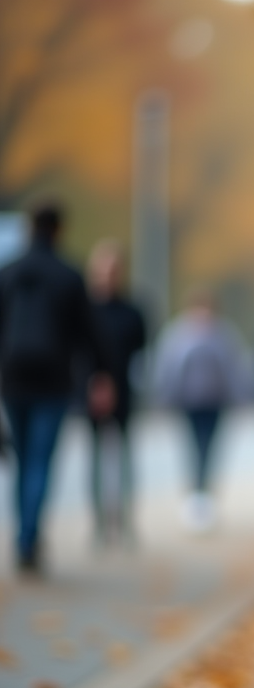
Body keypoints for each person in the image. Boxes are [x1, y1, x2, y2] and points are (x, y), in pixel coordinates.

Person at [0, 202, 111, 575]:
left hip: (12, 380)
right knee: (41, 461)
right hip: (53, 382)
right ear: (59, 230)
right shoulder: (68, 275)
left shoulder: (9, 273)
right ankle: (29, 538)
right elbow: (88, 333)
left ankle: (23, 536)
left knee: (21, 458)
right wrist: (99, 373)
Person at [153, 290, 254, 531]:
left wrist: (242, 399)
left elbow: (234, 370)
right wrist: (163, 399)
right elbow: (168, 369)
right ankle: (195, 499)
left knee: (209, 450)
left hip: (215, 403)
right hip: (189, 403)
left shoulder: (223, 335)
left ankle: (205, 498)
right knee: (192, 449)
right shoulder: (178, 334)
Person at [83, 239, 148, 547]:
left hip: (123, 391)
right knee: (94, 458)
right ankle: (98, 524)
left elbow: (140, 349)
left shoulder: (132, 311)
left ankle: (125, 522)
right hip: (90, 391)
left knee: (124, 458)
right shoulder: (84, 308)